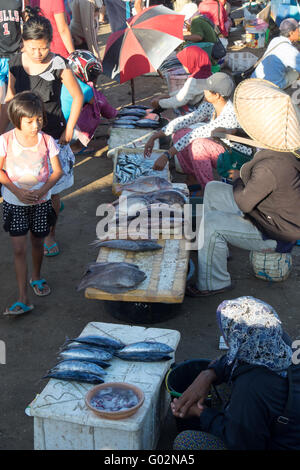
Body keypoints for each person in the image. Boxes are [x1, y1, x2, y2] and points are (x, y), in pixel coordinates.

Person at [186, 78, 300, 297]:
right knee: (213, 188)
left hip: (274, 233)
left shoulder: (272, 165)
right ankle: (216, 251)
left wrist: (240, 177)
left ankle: (214, 283)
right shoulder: (282, 147)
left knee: (211, 223)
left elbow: (244, 202)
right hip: (268, 214)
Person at [1, 7, 83, 257]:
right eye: (33, 47)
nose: (38, 53)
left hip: (51, 136)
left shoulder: (59, 64)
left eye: (44, 47)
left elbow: (78, 96)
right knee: (28, 184)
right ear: (23, 43)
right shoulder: (14, 63)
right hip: (23, 138)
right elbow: (10, 99)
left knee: (51, 191)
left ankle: (50, 233)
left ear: (50, 43)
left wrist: (69, 129)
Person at [171, 296, 300, 450]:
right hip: (287, 426)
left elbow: (242, 444)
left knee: (186, 442)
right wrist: (208, 374)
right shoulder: (281, 342)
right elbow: (233, 360)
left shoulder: (250, 387)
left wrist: (201, 413)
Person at [0, 92, 63, 316]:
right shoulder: (5, 140)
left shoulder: (47, 140)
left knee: (37, 243)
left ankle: (36, 277)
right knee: (18, 249)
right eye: (29, 121)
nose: (35, 125)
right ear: (17, 119)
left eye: (39, 119)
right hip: (14, 203)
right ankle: (22, 296)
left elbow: (57, 172)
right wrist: (17, 191)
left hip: (42, 202)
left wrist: (42, 191)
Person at [144, 73, 252, 191]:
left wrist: (166, 155)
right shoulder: (210, 105)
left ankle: (208, 189)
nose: (203, 90)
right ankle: (194, 176)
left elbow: (194, 134)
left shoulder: (228, 116)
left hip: (235, 157)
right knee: (180, 132)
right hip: (221, 147)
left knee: (198, 146)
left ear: (217, 96)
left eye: (207, 89)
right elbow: (187, 119)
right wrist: (155, 136)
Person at [61, 49, 117, 153]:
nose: (95, 78)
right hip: (66, 133)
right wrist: (116, 114)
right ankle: (76, 147)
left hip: (55, 126)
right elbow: (103, 106)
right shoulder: (85, 89)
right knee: (95, 106)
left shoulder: (61, 78)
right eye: (93, 75)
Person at [151, 46, 212, 114]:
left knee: (178, 107)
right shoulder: (206, 75)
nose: (183, 66)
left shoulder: (194, 80)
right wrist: (168, 95)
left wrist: (159, 103)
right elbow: (191, 91)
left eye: (184, 63)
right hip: (208, 110)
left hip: (200, 113)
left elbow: (179, 100)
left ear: (192, 62)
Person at [251, 18, 300, 90]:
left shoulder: (275, 40)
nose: (299, 33)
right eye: (298, 30)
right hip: (271, 87)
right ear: (291, 33)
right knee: (296, 72)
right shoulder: (291, 51)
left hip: (256, 80)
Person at [0, 1, 28, 104]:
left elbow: (27, 22)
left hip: (16, 55)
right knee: (2, 101)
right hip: (1, 57)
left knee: (16, 101)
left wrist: (26, 44)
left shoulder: (21, 1)